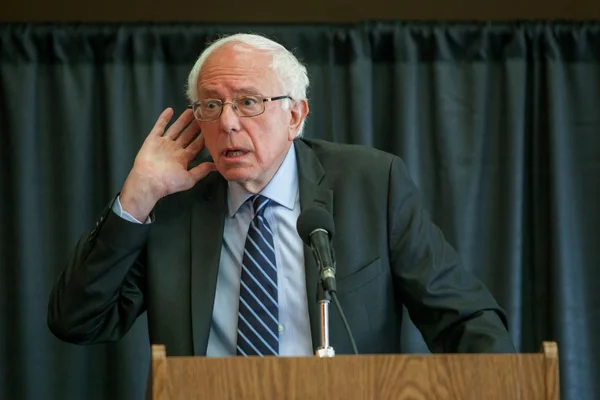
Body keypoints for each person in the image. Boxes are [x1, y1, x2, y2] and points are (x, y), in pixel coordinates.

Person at [47, 33, 516, 357]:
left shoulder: (373, 185)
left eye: (248, 102)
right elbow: (77, 321)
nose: (228, 121)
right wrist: (135, 200)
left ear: (295, 117)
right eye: (212, 105)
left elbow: (465, 320)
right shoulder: (171, 206)